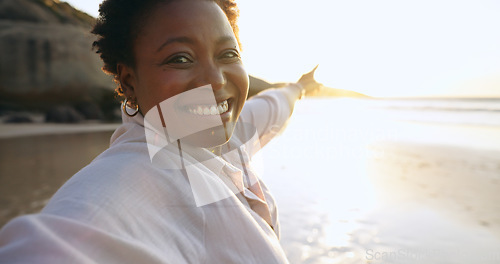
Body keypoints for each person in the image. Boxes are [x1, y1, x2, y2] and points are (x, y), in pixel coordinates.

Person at [0, 0, 321, 263]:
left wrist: (298, 87)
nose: (216, 81)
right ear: (129, 81)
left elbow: (273, 106)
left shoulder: (229, 138)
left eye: (228, 54)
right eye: (180, 58)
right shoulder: (133, 174)